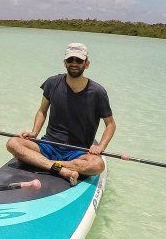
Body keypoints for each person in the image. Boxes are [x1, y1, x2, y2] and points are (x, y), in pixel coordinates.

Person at [6, 42, 115, 185]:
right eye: (70, 60)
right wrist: (34, 132)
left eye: (79, 60)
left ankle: (43, 163)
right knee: (13, 143)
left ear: (86, 64)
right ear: (65, 63)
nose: (74, 63)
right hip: (48, 144)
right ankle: (62, 170)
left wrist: (100, 146)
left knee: (97, 165)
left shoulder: (98, 92)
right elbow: (42, 111)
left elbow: (110, 125)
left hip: (78, 151)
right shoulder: (52, 83)